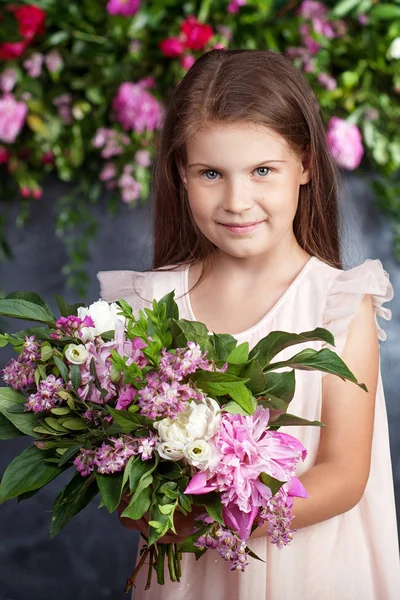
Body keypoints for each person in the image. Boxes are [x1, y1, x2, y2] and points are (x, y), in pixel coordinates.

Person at [97, 49, 400, 600]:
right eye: (211, 173)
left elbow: (345, 474)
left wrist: (221, 515)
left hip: (306, 574)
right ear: (180, 175)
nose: (238, 201)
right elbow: (123, 478)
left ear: (305, 164)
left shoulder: (337, 302)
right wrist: (145, 506)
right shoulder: (148, 305)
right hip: (189, 582)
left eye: (262, 170)